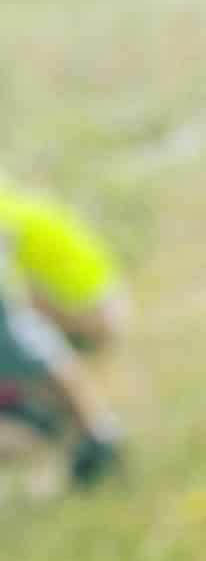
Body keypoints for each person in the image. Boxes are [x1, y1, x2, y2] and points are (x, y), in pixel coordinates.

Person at [0, 178, 128, 485]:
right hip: (100, 302)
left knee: (25, 346)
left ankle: (97, 438)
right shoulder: (15, 205)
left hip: (91, 313)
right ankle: (91, 434)